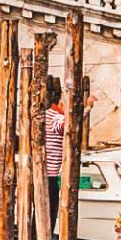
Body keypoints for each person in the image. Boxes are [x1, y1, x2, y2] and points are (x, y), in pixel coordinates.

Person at [43, 83, 67, 226]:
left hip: (41, 172)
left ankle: (36, 239)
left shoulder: (44, 116)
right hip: (50, 174)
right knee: (51, 211)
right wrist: (87, 109)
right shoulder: (56, 117)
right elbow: (68, 125)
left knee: (40, 210)